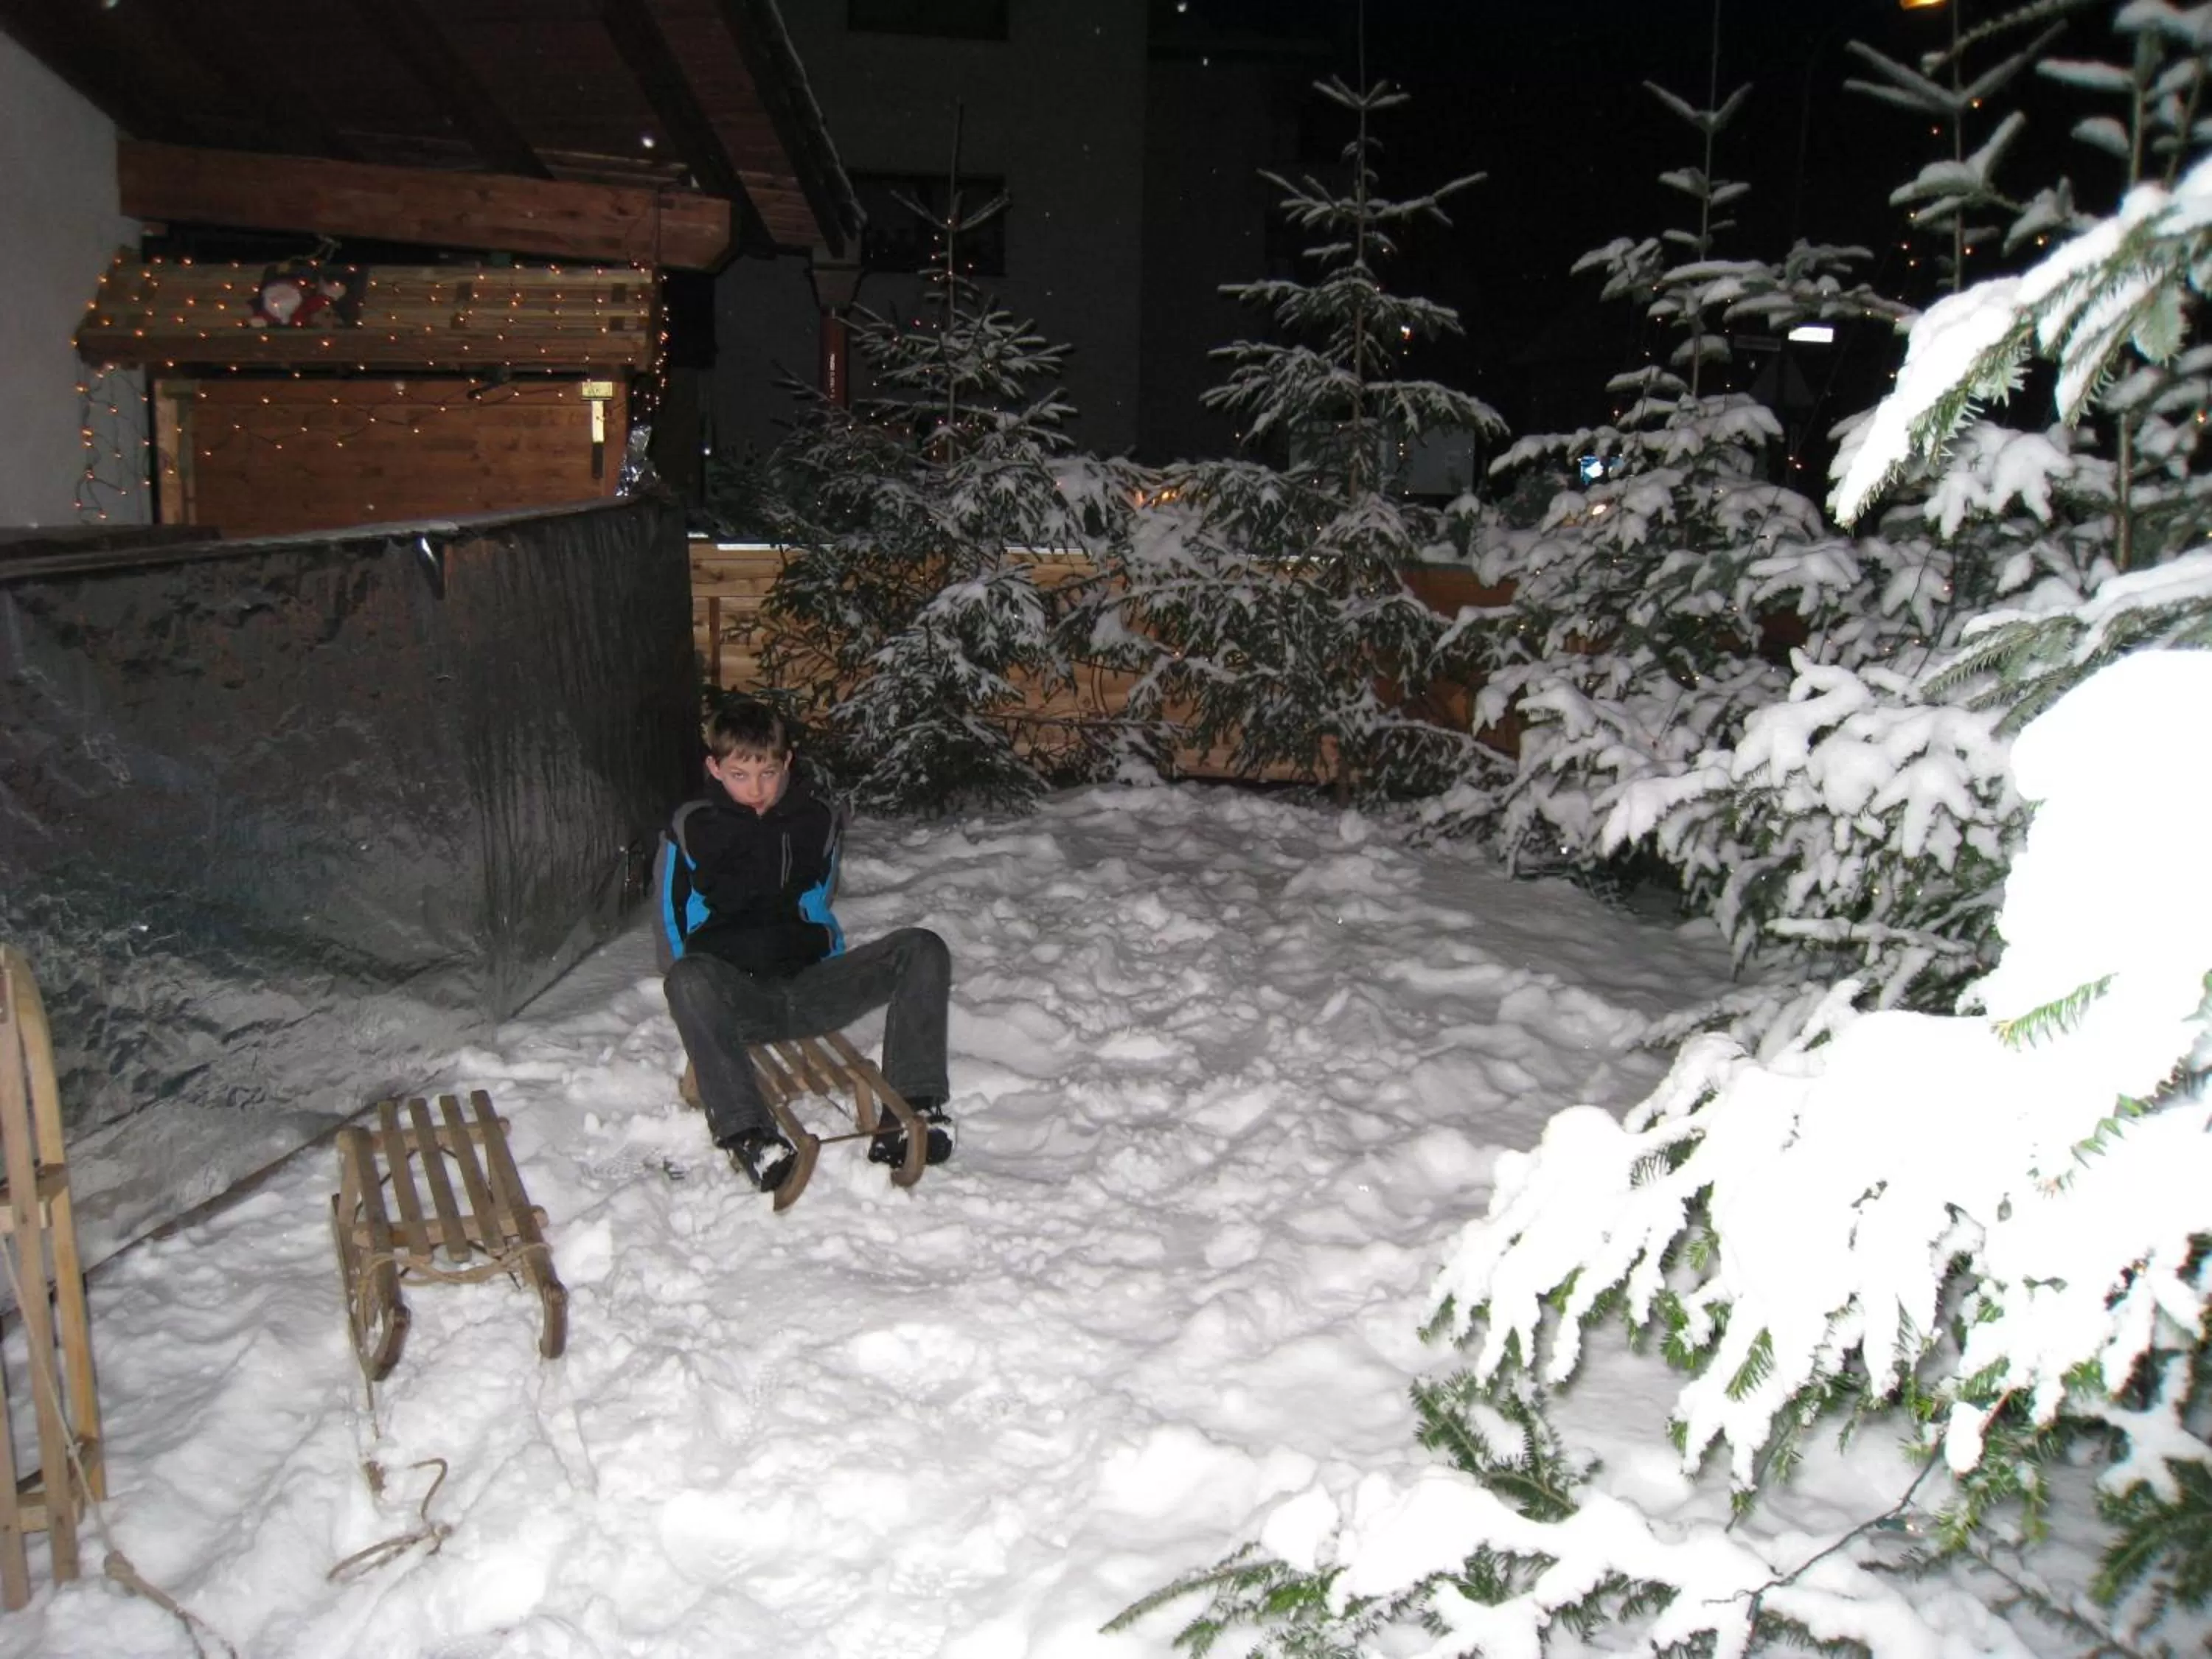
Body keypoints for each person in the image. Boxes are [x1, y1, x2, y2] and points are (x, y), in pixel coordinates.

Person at [659, 698, 953, 1192]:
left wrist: (824, 960)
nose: (757, 789)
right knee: (685, 977)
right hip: (738, 1000)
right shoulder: (691, 827)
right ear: (714, 767)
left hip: (812, 987)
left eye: (769, 773)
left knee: (922, 948)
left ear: (787, 762)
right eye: (740, 775)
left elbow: (819, 898)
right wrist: (701, 1001)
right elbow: (670, 926)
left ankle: (912, 1107)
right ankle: (748, 1133)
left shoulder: (814, 819)